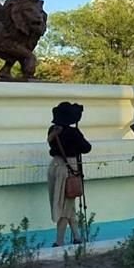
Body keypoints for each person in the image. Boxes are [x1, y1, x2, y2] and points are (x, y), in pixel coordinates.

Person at [47, 101, 92, 247]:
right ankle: (59, 241)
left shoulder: (52, 131)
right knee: (66, 205)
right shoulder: (73, 132)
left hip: (54, 166)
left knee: (67, 203)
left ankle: (77, 237)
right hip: (69, 168)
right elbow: (86, 148)